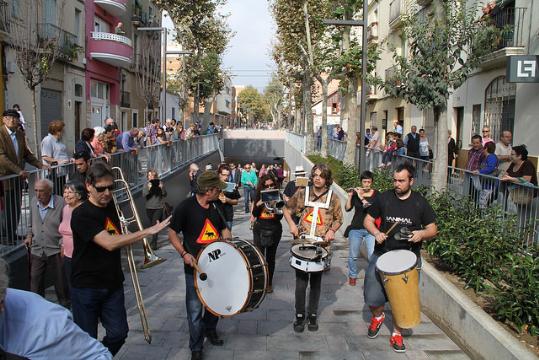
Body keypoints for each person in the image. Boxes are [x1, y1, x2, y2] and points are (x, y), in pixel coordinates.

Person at [70, 162, 170, 356]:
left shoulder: (111, 206)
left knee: (119, 333)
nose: (107, 193)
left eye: (111, 187)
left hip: (113, 283)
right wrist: (146, 232)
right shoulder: (81, 214)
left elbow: (118, 236)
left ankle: (99, 356)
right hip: (86, 286)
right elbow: (109, 242)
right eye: (101, 188)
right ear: (89, 186)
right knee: (85, 340)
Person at [363, 162, 437, 353]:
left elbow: (432, 229)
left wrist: (420, 234)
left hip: (408, 260)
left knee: (402, 300)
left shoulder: (419, 202)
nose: (397, 184)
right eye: (395, 180)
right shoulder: (384, 198)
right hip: (382, 254)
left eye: (402, 181)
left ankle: (397, 332)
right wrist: (376, 232)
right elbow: (368, 220)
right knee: (371, 296)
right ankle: (378, 316)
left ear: (411, 181)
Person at [167, 171, 232, 360]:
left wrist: (227, 242)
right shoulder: (186, 207)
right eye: (217, 189)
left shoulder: (216, 206)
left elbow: (223, 229)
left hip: (217, 266)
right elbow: (172, 233)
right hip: (195, 268)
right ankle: (196, 347)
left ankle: (210, 330)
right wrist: (184, 253)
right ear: (208, 190)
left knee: (214, 304)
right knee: (195, 309)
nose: (219, 192)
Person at [0, 258, 113, 359]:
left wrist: (126, 236)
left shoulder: (44, 321)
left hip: (98, 279)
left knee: (115, 332)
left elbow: (109, 241)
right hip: (74, 273)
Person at [283, 164, 343, 333]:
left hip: (321, 247)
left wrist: (332, 230)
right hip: (302, 244)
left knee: (316, 283)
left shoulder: (333, 198)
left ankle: (313, 315)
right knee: (301, 284)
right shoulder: (303, 193)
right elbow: (287, 210)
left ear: (327, 179)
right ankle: (300, 316)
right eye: (315, 175)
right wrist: (292, 225)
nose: (317, 178)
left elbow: (339, 219)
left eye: (321, 176)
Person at [0, 110, 45, 240]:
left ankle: (12, 232)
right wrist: (18, 170)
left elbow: (26, 154)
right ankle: (4, 235)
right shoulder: (1, 134)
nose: (13, 120)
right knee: (6, 208)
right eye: (9, 118)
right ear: (4, 119)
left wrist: (39, 164)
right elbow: (2, 158)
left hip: (17, 178)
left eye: (15, 118)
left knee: (16, 207)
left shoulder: (20, 134)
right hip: (5, 177)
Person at [24, 179, 68, 306]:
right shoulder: (33, 202)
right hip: (37, 249)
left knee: (61, 285)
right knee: (35, 284)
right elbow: (30, 224)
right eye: (36, 190)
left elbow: (66, 226)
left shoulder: (61, 203)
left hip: (56, 249)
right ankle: (38, 309)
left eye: (41, 191)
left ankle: (66, 309)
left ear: (49, 191)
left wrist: (63, 243)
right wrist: (28, 236)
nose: (37, 194)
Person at [345, 171, 378, 286]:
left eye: (369, 182)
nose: (366, 184)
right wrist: (350, 197)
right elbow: (347, 208)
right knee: (353, 255)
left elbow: (369, 207)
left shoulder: (377, 195)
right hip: (356, 228)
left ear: (372, 182)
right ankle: (352, 275)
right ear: (361, 182)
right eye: (364, 182)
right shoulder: (355, 194)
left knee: (371, 255)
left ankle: (372, 277)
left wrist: (360, 196)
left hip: (371, 229)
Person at [252, 175, 283, 293]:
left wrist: (275, 205)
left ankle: (269, 283)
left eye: (272, 185)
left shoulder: (277, 195)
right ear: (262, 186)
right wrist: (259, 204)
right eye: (267, 186)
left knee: (270, 257)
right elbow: (255, 214)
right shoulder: (258, 195)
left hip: (274, 228)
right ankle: (260, 282)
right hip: (260, 228)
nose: (269, 187)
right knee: (259, 256)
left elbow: (279, 217)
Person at [58, 181, 87, 297]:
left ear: (79, 195)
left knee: (81, 286)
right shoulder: (65, 209)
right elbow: (63, 230)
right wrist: (63, 246)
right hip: (67, 256)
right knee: (71, 286)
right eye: (65, 192)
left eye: (70, 192)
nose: (66, 195)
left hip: (81, 256)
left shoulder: (84, 210)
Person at [41, 120, 70, 194]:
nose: (64, 132)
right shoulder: (48, 140)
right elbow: (45, 156)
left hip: (60, 173)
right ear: (57, 131)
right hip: (52, 174)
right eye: (63, 130)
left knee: (60, 194)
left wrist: (69, 160)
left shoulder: (59, 141)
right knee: (55, 195)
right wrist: (59, 161)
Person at [143, 169, 167, 249]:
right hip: (149, 208)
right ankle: (153, 241)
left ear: (155, 176)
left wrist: (162, 188)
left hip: (158, 208)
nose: (150, 177)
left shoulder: (160, 183)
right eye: (149, 175)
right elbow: (144, 195)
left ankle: (154, 244)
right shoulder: (146, 184)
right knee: (152, 226)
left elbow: (164, 194)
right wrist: (149, 189)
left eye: (152, 175)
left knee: (155, 225)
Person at [217, 164, 240, 229]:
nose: (226, 177)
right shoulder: (213, 185)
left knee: (227, 238)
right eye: (224, 175)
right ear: (219, 174)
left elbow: (236, 201)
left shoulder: (231, 186)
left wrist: (227, 200)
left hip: (227, 217)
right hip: (214, 216)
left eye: (228, 175)